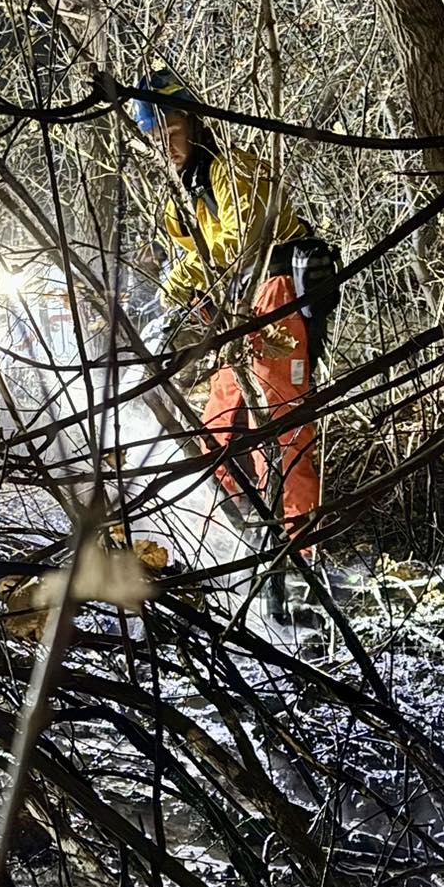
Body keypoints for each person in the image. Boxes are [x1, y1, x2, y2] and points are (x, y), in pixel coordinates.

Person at [131, 70, 324, 625]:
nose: (162, 145)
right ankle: (255, 529)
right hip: (238, 311)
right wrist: (166, 304)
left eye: (168, 130)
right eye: (155, 136)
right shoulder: (187, 190)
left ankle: (297, 560)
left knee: (283, 434)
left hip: (274, 295)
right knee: (217, 430)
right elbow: (194, 254)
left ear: (191, 122)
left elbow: (248, 240)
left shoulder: (232, 170)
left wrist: (201, 285)